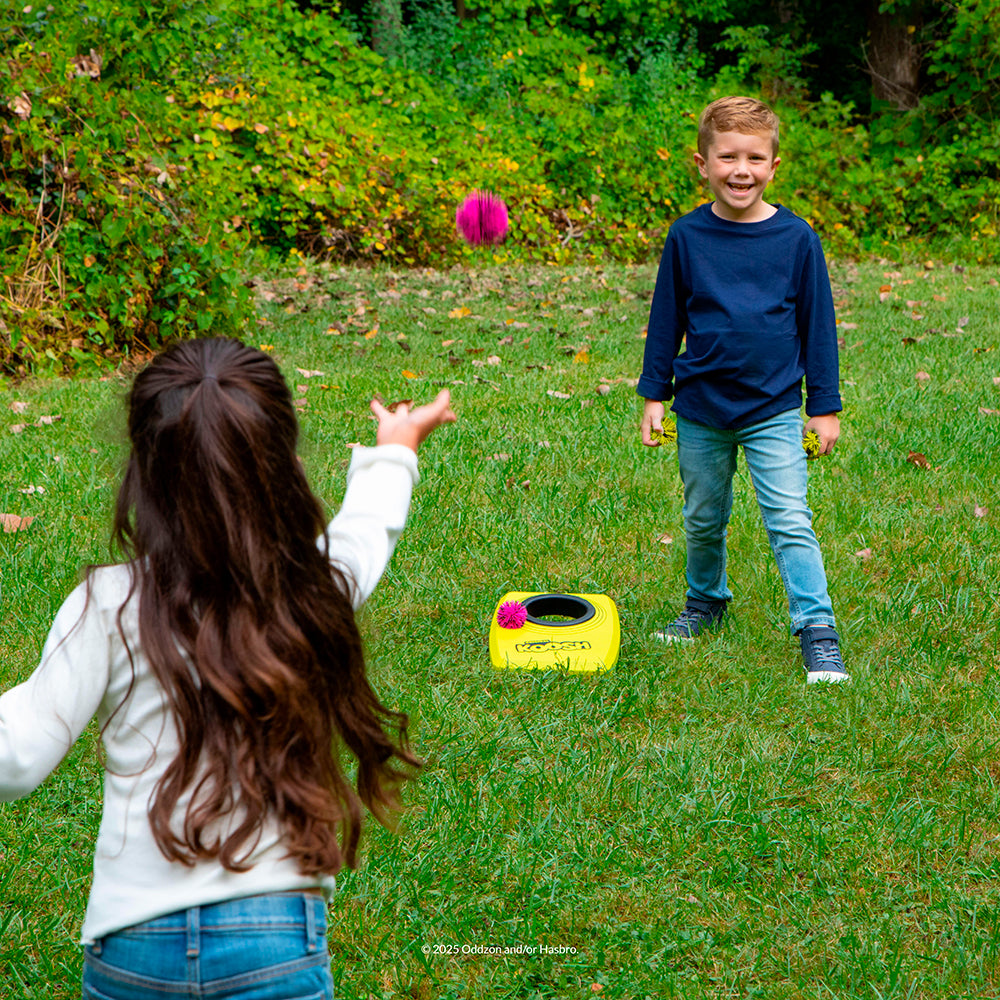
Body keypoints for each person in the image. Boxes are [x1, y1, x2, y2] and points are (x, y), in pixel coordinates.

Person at [0, 337, 456, 998]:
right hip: (274, 937)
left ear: (144, 471)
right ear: (281, 465)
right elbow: (364, 532)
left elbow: (18, 752)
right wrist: (394, 450)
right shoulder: (310, 587)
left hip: (134, 944)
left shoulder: (107, 603)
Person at [637, 95, 848, 684]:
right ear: (702, 163)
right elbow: (665, 319)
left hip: (774, 406)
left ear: (774, 166)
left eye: (755, 158)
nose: (741, 169)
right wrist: (655, 394)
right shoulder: (686, 237)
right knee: (704, 515)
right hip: (701, 406)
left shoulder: (798, 239)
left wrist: (823, 407)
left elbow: (818, 326)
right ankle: (705, 602)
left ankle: (817, 629)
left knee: (789, 518)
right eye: (726, 156)